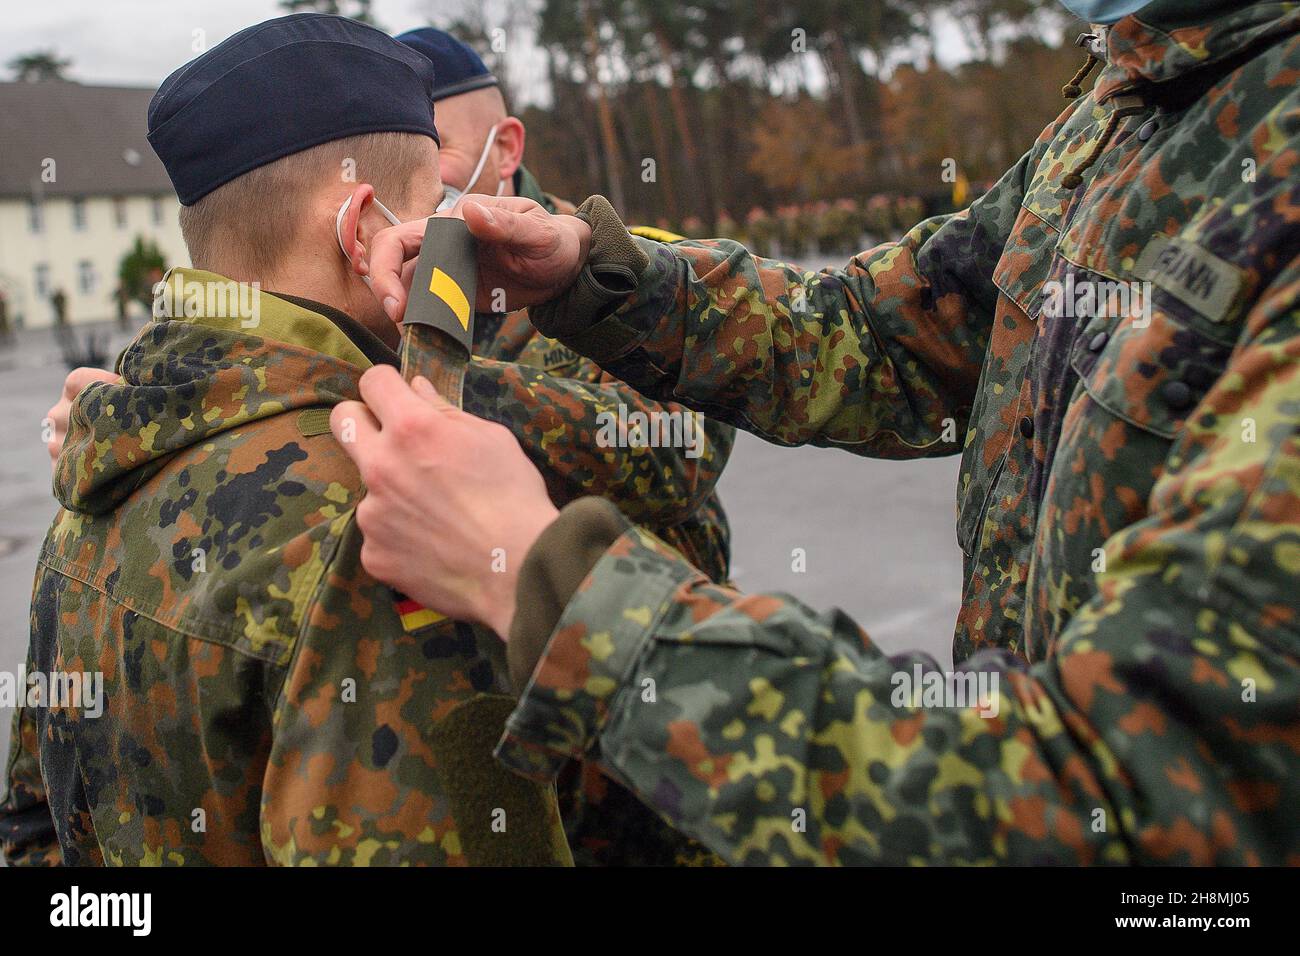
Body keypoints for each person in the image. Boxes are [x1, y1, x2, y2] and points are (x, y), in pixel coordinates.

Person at [337, 0, 1300, 864]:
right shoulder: (1138, 99)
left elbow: (1142, 795)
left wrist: (543, 583)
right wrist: (596, 279)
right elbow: (891, 334)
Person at [30, 25, 733, 867]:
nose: (448, 236)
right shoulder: (389, 523)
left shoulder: (99, 473)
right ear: (362, 227)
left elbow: (39, 824)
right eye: (433, 208)